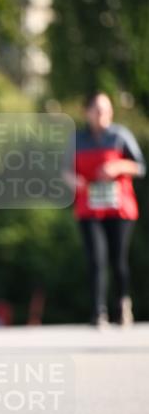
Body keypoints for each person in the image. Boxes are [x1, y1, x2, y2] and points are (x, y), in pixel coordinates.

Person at [69, 92, 145, 326]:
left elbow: (140, 167)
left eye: (106, 109)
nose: (103, 114)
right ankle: (98, 311)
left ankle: (123, 303)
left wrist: (118, 166)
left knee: (118, 259)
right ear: (87, 112)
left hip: (119, 207)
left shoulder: (120, 136)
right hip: (89, 207)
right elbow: (64, 171)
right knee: (96, 259)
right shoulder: (77, 140)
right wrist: (73, 181)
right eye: (98, 110)